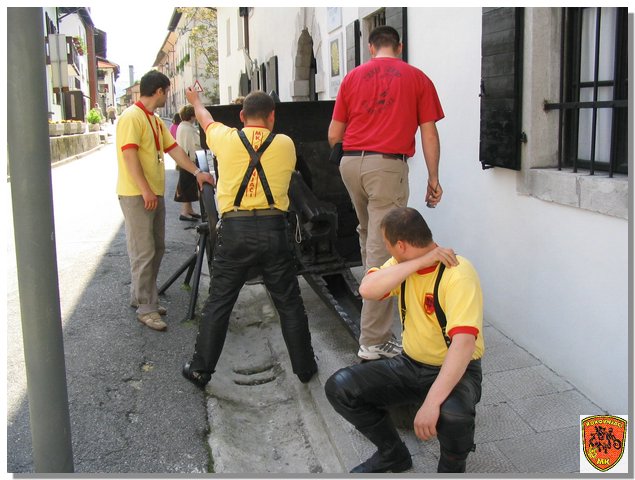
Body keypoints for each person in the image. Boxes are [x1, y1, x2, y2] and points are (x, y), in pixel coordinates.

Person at [325, 206, 484, 474]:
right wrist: (420, 262)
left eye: (387, 244)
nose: (387, 250)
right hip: (410, 365)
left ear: (400, 245)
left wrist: (431, 403)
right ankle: (393, 454)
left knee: (454, 417)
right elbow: (367, 290)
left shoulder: (458, 272)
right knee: (340, 388)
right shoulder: (402, 265)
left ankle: (451, 469)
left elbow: (464, 345)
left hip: (459, 371)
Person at [181, 88, 318, 389]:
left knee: (219, 302)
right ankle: (305, 368)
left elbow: (205, 120)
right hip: (274, 231)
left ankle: (201, 370)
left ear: (242, 116)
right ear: (272, 117)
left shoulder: (226, 139)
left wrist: (196, 101)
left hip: (234, 231)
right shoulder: (285, 143)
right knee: (289, 302)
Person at [328, 25, 445, 361]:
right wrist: (433, 176)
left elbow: (334, 133)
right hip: (387, 167)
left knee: (369, 235)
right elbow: (429, 134)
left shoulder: (352, 78)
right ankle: (374, 340)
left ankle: (371, 296)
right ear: (399, 46)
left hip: (350, 164)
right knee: (384, 248)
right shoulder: (417, 78)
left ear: (370, 48)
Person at [116, 70, 214, 332]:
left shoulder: (155, 120)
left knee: (156, 248)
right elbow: (129, 157)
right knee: (143, 251)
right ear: (159, 91)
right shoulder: (131, 117)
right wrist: (145, 190)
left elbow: (174, 150)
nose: (167, 96)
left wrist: (197, 172)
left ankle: (140, 296)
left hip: (151, 193)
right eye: (167, 91)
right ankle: (146, 308)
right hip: (137, 194)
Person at [174, 105, 202, 221]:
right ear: (191, 116)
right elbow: (195, 143)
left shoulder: (183, 126)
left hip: (184, 160)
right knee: (187, 186)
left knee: (188, 185)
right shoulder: (188, 128)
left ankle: (189, 210)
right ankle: (185, 212)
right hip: (189, 160)